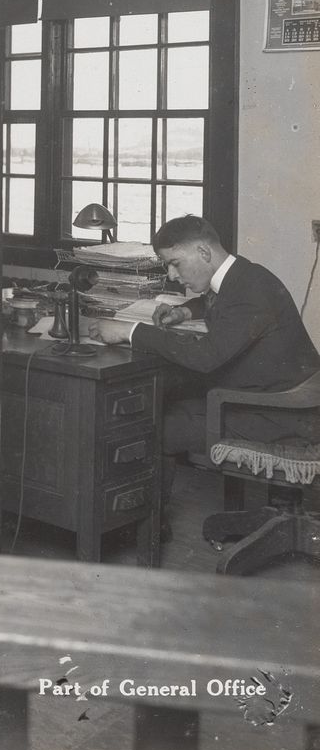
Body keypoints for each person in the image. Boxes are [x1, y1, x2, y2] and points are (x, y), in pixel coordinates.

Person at [91, 215, 320, 532]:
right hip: (285, 399)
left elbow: (206, 357)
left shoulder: (248, 290)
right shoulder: (246, 275)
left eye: (175, 264)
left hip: (283, 415)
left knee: (160, 423)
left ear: (203, 252)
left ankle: (147, 528)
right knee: (172, 397)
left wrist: (130, 331)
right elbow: (220, 299)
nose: (172, 276)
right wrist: (186, 310)